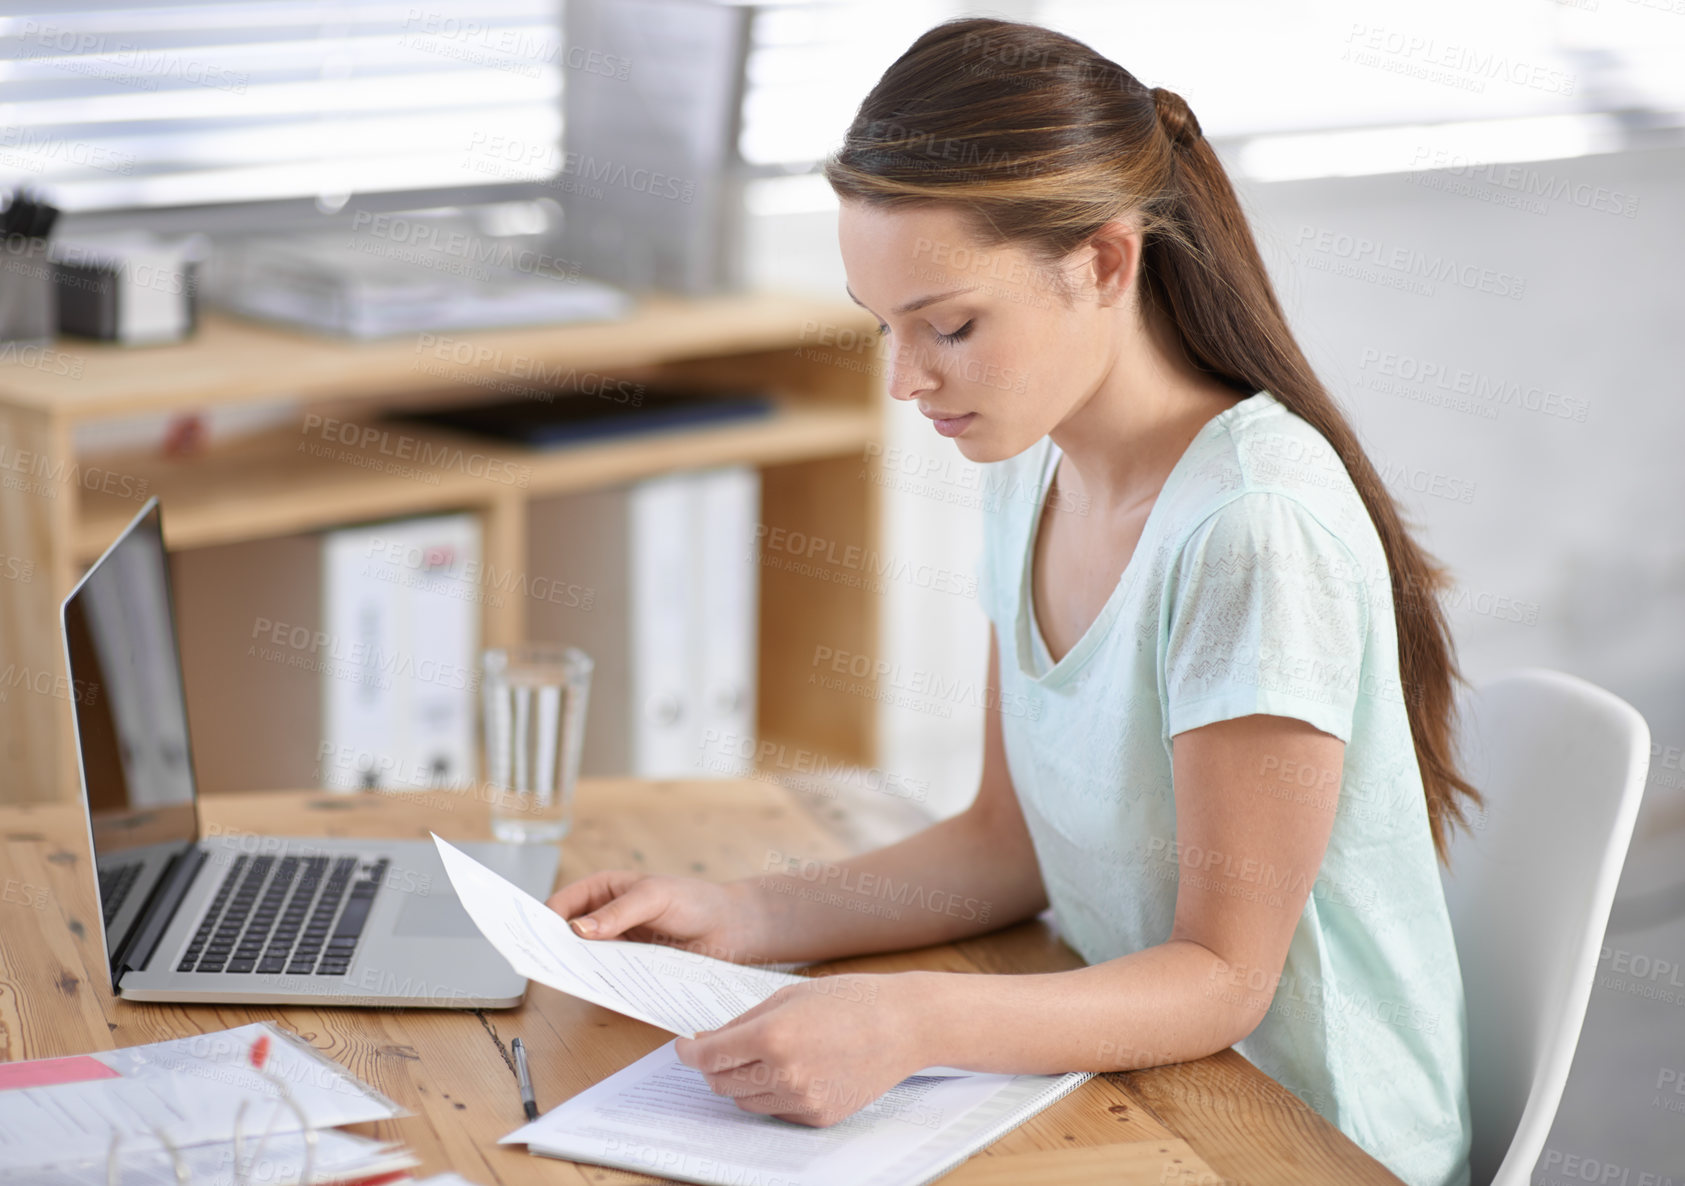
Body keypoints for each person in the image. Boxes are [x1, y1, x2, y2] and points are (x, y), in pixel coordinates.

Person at [546, 18, 1479, 1186]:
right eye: (884, 325)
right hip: (1126, 1075)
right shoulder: (1033, 468)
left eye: (949, 325)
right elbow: (1004, 844)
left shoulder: (1251, 529)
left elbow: (1223, 974)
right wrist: (741, 913)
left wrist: (910, 1021)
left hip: (1301, 1132)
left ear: (1101, 261)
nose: (906, 380)